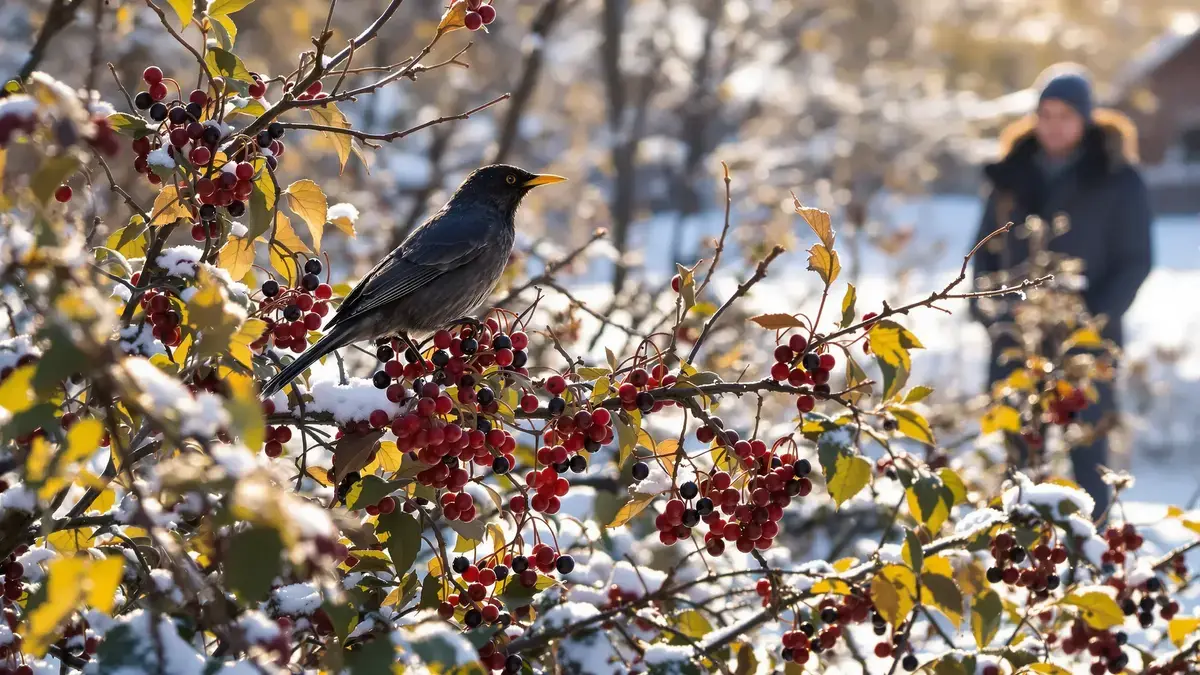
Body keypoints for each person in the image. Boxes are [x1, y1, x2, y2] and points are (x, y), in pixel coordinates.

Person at [969, 64, 1154, 520]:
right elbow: (983, 252)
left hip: (1086, 344)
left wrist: (1092, 324)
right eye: (1045, 113)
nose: (1054, 124)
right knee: (1014, 458)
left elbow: (1136, 260)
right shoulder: (1009, 173)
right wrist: (994, 315)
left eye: (1065, 114)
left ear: (1086, 119)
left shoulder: (1117, 176)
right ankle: (1013, 555)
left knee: (1087, 453)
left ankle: (1091, 555)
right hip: (1015, 341)